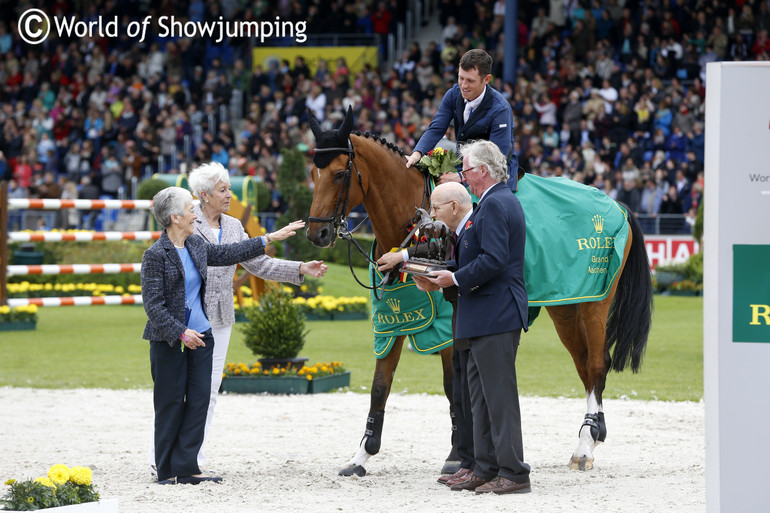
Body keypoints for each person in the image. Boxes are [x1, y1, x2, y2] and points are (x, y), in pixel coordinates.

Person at [146, 162, 328, 472]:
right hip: (185, 321)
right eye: (223, 190)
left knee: (208, 392)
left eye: (229, 188)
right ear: (204, 195)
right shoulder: (188, 226)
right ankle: (160, 460)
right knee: (173, 394)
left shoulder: (232, 227)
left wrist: (299, 268)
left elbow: (257, 264)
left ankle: (193, 458)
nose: (229, 194)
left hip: (218, 318)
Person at [421, 140, 531, 494]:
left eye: (467, 170)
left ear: (483, 170)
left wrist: (453, 278)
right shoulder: (491, 204)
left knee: (498, 398)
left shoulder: (498, 203)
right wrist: (437, 273)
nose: (464, 177)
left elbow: (495, 259)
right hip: (482, 313)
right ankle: (484, 467)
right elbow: (473, 260)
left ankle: (513, 472)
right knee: (480, 399)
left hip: (496, 313)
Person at [375, 182, 476, 487]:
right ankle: (470, 458)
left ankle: (486, 461)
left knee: (477, 385)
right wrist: (418, 153)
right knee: (462, 379)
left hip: (480, 312)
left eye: (435, 209)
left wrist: (403, 257)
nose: (430, 215)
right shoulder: (452, 218)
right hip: (461, 308)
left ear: (454, 206)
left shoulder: (473, 216)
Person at [404, 49, 519, 191]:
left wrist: (460, 177)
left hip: (495, 171)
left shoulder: (500, 109)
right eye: (461, 78)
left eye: (470, 80)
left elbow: (497, 157)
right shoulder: (453, 94)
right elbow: (436, 129)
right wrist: (417, 154)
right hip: (464, 165)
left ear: (486, 79)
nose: (463, 85)